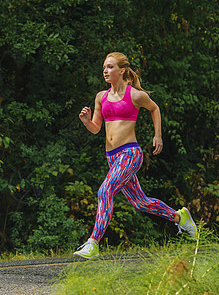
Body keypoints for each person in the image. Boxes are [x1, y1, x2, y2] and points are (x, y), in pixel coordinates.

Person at [74, 52, 197, 259]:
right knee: (139, 202)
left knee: (105, 191)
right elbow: (96, 128)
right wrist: (86, 120)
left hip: (130, 153)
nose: (105, 70)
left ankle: (93, 242)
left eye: (110, 67)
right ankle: (179, 217)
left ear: (122, 71)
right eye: (104, 67)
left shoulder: (135, 95)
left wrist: (158, 136)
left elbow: (155, 108)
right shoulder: (100, 97)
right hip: (112, 156)